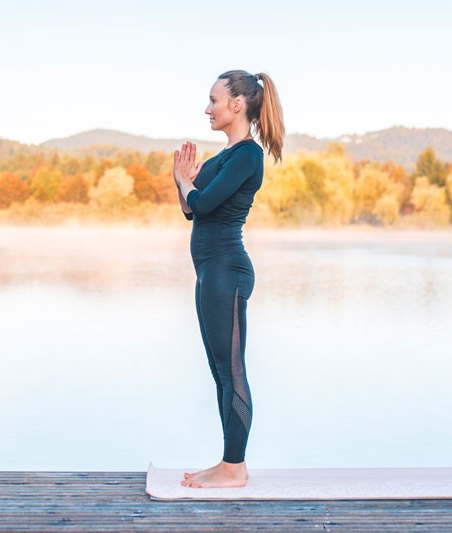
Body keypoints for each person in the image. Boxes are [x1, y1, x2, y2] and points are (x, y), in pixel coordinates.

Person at [173, 70, 284, 488]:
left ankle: (234, 468)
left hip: (227, 271)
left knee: (232, 370)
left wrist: (186, 184)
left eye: (214, 100)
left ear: (237, 105)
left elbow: (200, 203)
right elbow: (190, 207)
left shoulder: (246, 157)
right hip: (210, 273)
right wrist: (180, 182)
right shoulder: (225, 157)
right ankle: (227, 463)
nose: (208, 108)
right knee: (220, 371)